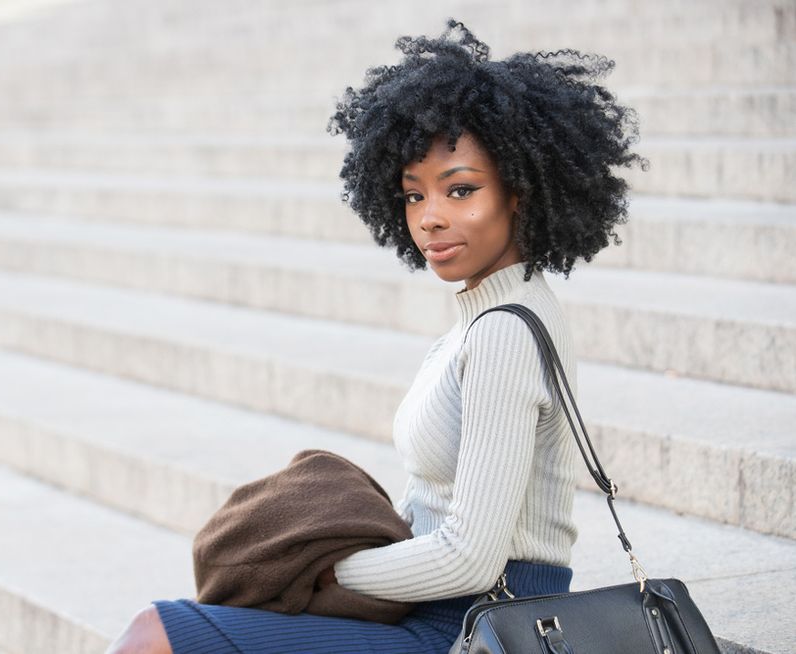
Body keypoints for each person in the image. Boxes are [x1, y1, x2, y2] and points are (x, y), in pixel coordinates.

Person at [105, 18, 645, 654]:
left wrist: (316, 574)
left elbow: (471, 559)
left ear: (521, 194)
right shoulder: (480, 320)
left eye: (461, 190)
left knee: (158, 635)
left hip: (474, 629)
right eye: (414, 196)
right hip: (434, 611)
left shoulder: (505, 333)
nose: (431, 217)